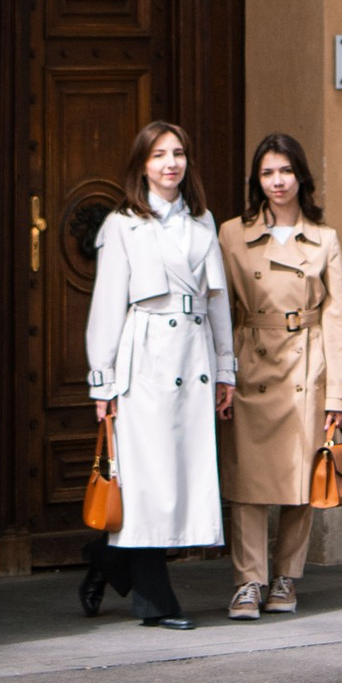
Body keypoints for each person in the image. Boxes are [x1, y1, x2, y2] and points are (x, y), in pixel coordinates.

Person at [85, 119, 235, 629]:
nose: (171, 163)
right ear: (142, 166)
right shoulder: (121, 225)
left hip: (190, 357)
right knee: (148, 484)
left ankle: (106, 561)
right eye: (159, 155)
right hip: (144, 361)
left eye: (178, 154)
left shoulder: (202, 221)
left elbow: (217, 302)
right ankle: (155, 602)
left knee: (177, 481)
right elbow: (107, 307)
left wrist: (224, 369)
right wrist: (101, 381)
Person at [219, 134, 342, 620]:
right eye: (267, 173)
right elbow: (221, 308)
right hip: (252, 359)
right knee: (247, 481)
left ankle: (285, 577)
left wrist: (338, 393)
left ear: (301, 177)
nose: (277, 182)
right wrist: (221, 373)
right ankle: (247, 582)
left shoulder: (325, 239)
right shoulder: (232, 233)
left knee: (303, 478)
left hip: (306, 361)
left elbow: (338, 319)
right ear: (257, 181)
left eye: (285, 172)